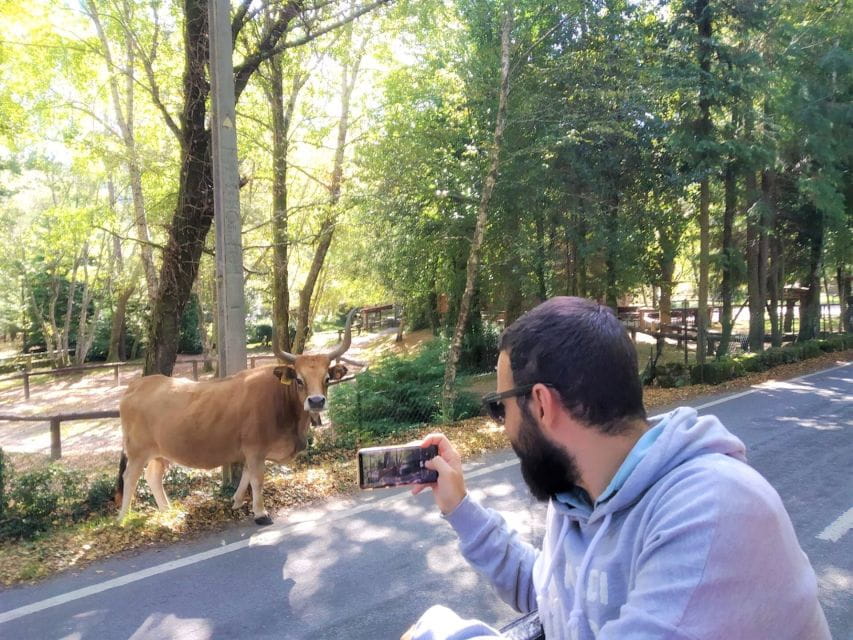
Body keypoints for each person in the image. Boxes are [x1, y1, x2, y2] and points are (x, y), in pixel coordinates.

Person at [404, 297, 830, 640]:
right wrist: (459, 507)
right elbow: (553, 598)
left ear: (541, 404)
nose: (504, 429)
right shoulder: (581, 495)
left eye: (501, 408)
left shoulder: (714, 511)